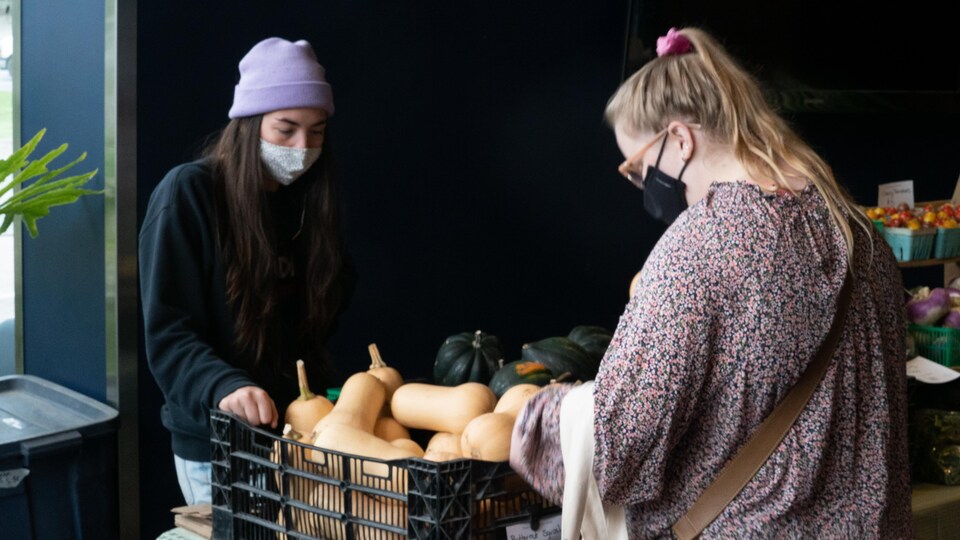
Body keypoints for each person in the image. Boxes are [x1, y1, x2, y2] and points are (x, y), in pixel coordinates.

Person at [510, 27, 912, 538]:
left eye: (637, 169)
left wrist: (542, 416)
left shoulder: (700, 248)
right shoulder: (857, 230)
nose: (641, 188)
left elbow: (619, 444)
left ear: (680, 138)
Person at [140, 37, 355, 505]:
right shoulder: (188, 196)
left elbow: (322, 317)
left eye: (316, 131)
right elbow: (168, 335)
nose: (303, 147)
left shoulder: (305, 203)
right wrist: (226, 386)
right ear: (248, 123)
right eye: (286, 129)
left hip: (300, 437)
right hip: (218, 448)